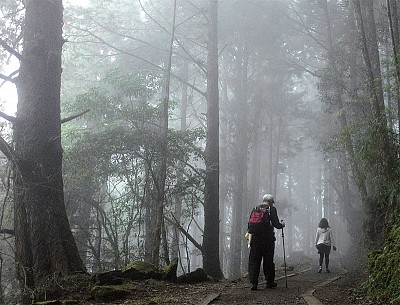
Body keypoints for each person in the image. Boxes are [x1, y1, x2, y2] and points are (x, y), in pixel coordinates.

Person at [248, 194, 285, 291]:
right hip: (267, 239)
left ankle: (253, 283)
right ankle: (269, 282)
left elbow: (249, 224)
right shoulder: (271, 209)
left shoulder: (255, 208)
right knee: (268, 260)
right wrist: (282, 225)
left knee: (254, 260)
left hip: (255, 239)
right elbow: (276, 224)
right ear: (271, 201)